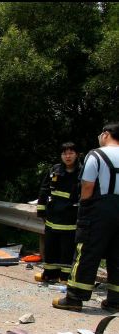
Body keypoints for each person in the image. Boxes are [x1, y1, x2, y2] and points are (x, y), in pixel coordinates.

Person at [54, 122, 119, 312]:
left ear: (106, 134)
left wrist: (84, 208)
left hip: (98, 210)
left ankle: (75, 297)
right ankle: (115, 301)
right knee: (117, 256)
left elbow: (88, 186)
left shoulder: (96, 154)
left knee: (87, 252)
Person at [35, 142, 80, 283]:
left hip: (71, 220)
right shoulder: (55, 170)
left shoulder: (82, 172)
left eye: (71, 153)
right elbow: (44, 190)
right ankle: (49, 274)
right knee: (50, 248)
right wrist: (41, 211)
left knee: (67, 251)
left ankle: (65, 277)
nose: (68, 156)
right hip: (53, 218)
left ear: (77, 155)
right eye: (64, 153)